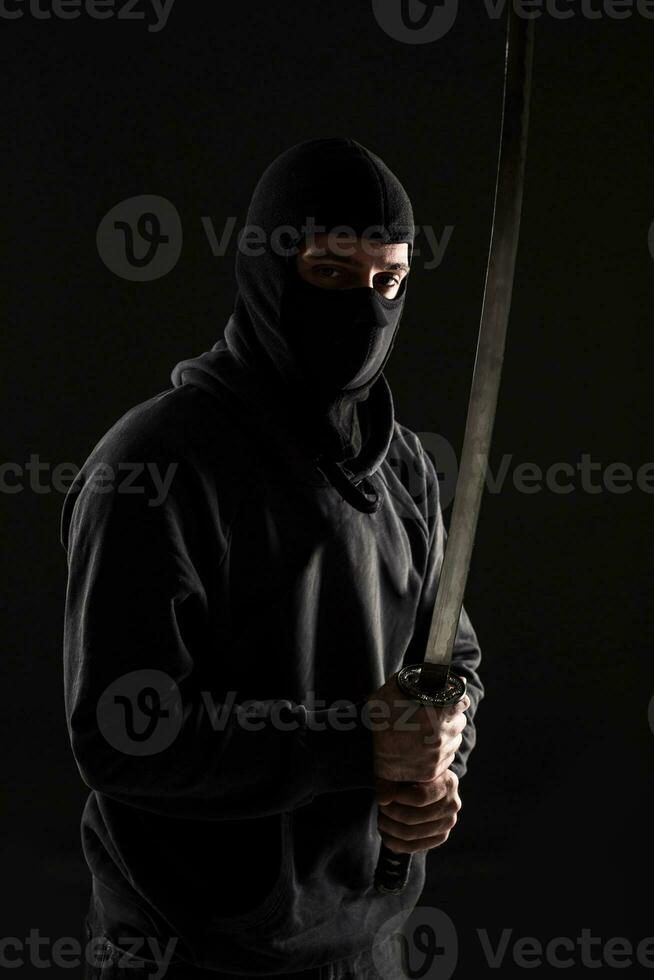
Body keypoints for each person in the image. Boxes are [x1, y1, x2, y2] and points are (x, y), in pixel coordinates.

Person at [62, 137, 483, 979]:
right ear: (266, 266)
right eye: (330, 273)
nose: (365, 309)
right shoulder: (154, 468)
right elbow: (122, 736)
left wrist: (439, 753)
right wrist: (360, 747)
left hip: (368, 940)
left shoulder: (403, 467)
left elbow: (451, 656)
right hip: (193, 948)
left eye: (388, 281)